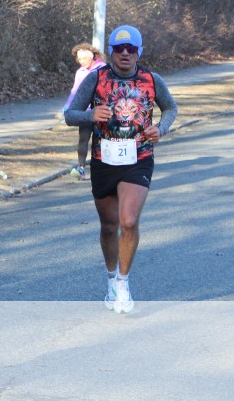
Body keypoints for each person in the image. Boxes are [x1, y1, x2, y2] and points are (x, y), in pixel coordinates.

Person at [65, 25, 177, 314]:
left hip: (139, 157)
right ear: (111, 51)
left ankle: (124, 282)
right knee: (109, 225)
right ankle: (111, 278)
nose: (125, 54)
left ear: (139, 51)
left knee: (128, 221)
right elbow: (70, 115)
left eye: (131, 49)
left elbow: (170, 108)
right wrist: (91, 114)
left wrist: (160, 129)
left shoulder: (152, 80)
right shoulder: (95, 78)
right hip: (104, 159)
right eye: (119, 48)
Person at [63, 43, 106, 179]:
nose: (81, 61)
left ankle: (104, 169)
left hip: (101, 110)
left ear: (91, 56)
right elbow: (75, 92)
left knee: (102, 141)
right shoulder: (80, 72)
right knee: (83, 139)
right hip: (85, 112)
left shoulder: (103, 68)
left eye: (84, 58)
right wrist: (67, 108)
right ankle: (81, 167)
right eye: (79, 59)